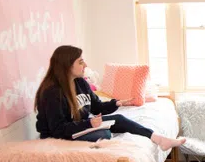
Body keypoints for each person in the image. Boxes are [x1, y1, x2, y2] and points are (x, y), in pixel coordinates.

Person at [35, 45, 185, 150]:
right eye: (80, 62)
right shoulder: (52, 93)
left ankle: (159, 139)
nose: (85, 65)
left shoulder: (80, 83)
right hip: (59, 137)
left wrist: (116, 103)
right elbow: (57, 129)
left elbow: (97, 107)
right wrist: (88, 124)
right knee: (104, 133)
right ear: (66, 65)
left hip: (78, 128)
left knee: (118, 118)